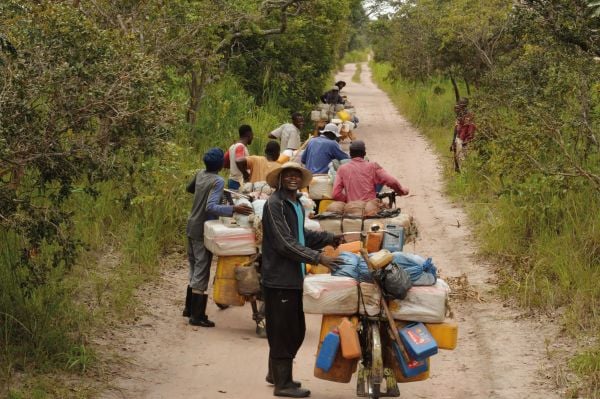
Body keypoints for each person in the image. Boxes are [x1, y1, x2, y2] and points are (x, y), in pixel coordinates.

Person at [261, 162, 342, 397]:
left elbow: (300, 235)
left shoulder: (295, 203)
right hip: (278, 278)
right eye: (288, 175)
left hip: (293, 276)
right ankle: (283, 384)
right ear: (279, 179)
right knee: (285, 330)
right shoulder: (274, 205)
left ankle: (275, 374)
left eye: (297, 175)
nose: (293, 178)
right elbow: (284, 242)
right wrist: (319, 258)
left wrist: (328, 237)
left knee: (291, 328)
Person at [183, 148, 253, 327]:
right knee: (202, 268)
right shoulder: (218, 180)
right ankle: (197, 316)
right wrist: (233, 209)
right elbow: (211, 207)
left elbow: (190, 189)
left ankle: (189, 308)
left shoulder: (200, 174)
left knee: (193, 265)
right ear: (222, 164)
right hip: (202, 228)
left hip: (191, 224)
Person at [332, 140, 409, 202]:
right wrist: (401, 191)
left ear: (350, 154)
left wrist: (348, 201)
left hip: (352, 209)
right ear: (364, 154)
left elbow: (336, 194)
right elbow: (391, 181)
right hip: (370, 208)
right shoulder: (373, 166)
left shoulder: (342, 169)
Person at [225, 124, 254, 189]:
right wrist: (246, 174)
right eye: (252, 135)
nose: (253, 138)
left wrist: (234, 168)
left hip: (232, 180)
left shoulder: (232, 146)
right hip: (238, 182)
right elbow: (238, 161)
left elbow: (225, 163)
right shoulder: (240, 147)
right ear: (249, 134)